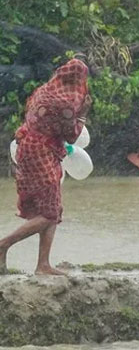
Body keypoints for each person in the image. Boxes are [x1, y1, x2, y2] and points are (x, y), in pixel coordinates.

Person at [0, 57, 91, 275]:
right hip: (42, 152)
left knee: (51, 208)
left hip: (27, 147)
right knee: (50, 214)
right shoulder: (67, 104)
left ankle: (43, 265)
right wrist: (84, 113)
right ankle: (4, 245)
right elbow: (71, 137)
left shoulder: (45, 90)